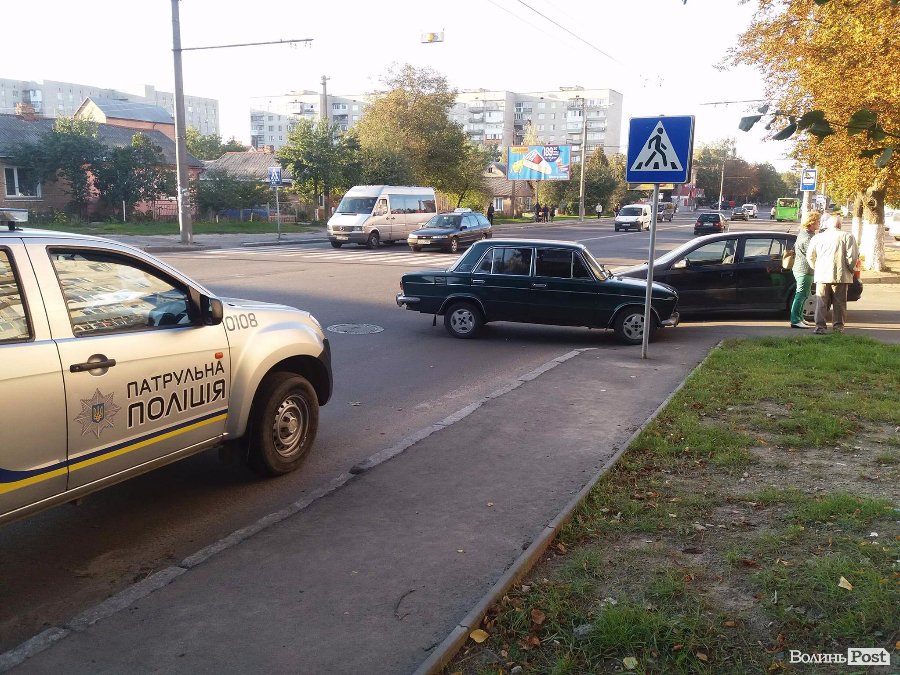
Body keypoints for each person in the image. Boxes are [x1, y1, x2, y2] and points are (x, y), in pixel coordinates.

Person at [806, 215, 859, 335]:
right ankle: (838, 328)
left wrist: (816, 268)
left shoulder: (817, 237)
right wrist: (850, 270)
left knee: (821, 302)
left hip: (822, 275)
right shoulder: (847, 236)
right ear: (839, 225)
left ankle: (820, 327)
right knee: (839, 303)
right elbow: (852, 257)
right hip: (840, 275)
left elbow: (810, 256)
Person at [789, 211, 820, 329]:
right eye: (818, 221)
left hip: (803, 269)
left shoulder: (805, 233)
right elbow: (812, 254)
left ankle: (800, 317)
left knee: (805, 294)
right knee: (801, 295)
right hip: (804, 270)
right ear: (811, 223)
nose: (819, 224)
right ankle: (795, 320)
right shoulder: (807, 237)